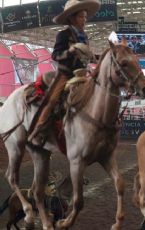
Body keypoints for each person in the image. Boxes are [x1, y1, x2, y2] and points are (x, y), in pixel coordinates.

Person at [27, 0, 100, 146]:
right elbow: (55, 56)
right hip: (65, 75)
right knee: (52, 100)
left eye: (85, 17)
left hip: (83, 75)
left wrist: (99, 58)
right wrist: (70, 52)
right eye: (81, 17)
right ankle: (38, 130)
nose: (84, 20)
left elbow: (88, 56)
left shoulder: (84, 37)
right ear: (72, 18)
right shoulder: (63, 35)